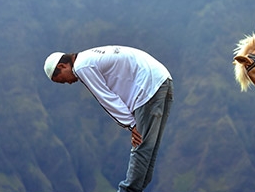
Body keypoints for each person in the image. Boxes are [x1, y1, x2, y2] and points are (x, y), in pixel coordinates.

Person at [43, 45, 173, 192]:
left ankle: (127, 190)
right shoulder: (88, 57)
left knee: (140, 143)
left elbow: (106, 98)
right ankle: (138, 188)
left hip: (148, 86)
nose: (68, 83)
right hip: (163, 79)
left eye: (62, 80)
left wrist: (130, 125)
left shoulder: (81, 67)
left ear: (62, 65)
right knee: (149, 146)